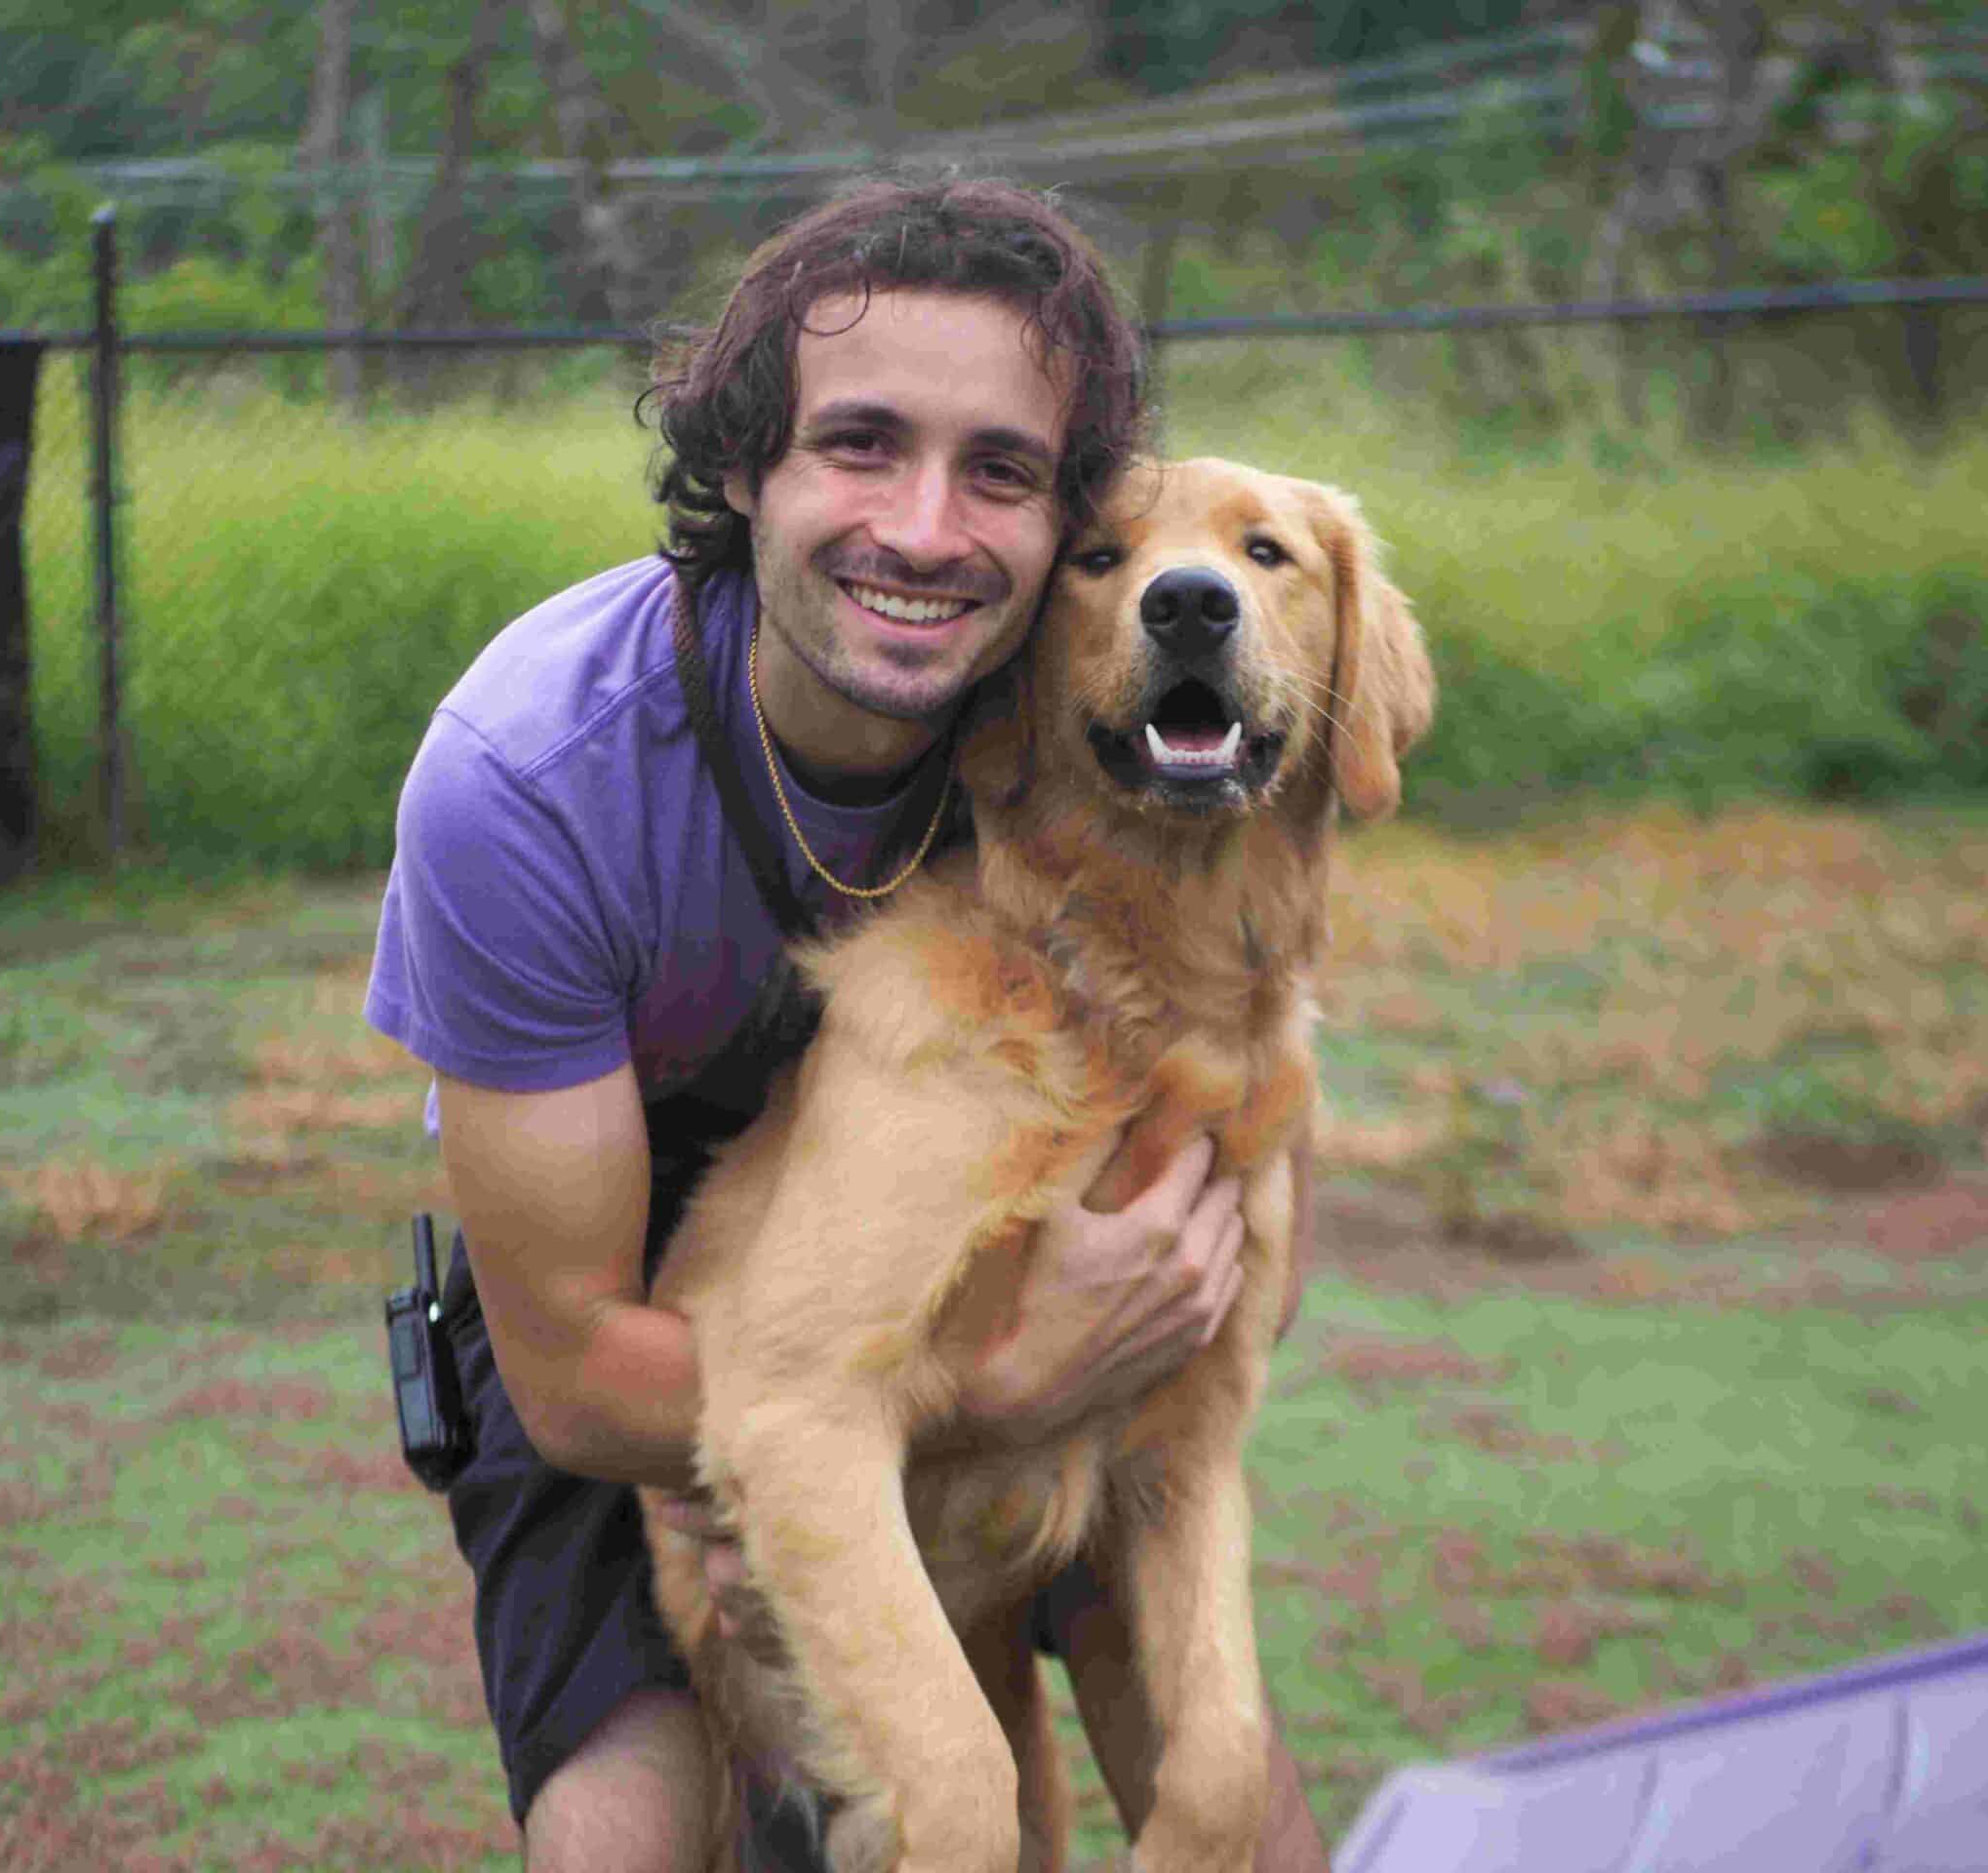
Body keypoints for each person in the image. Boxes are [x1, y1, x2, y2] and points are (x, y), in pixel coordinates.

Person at [365, 175, 1329, 1873]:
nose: (930, 528)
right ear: (747, 466)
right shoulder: (531, 776)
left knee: (1239, 1806)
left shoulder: (1084, 726)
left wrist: (1061, 1381)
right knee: (633, 1836)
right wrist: (992, 1395)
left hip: (1018, 1256)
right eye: (862, 444)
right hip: (642, 1280)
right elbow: (579, 1376)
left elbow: (1243, 1168)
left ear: (1061, 525)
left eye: (1005, 473)